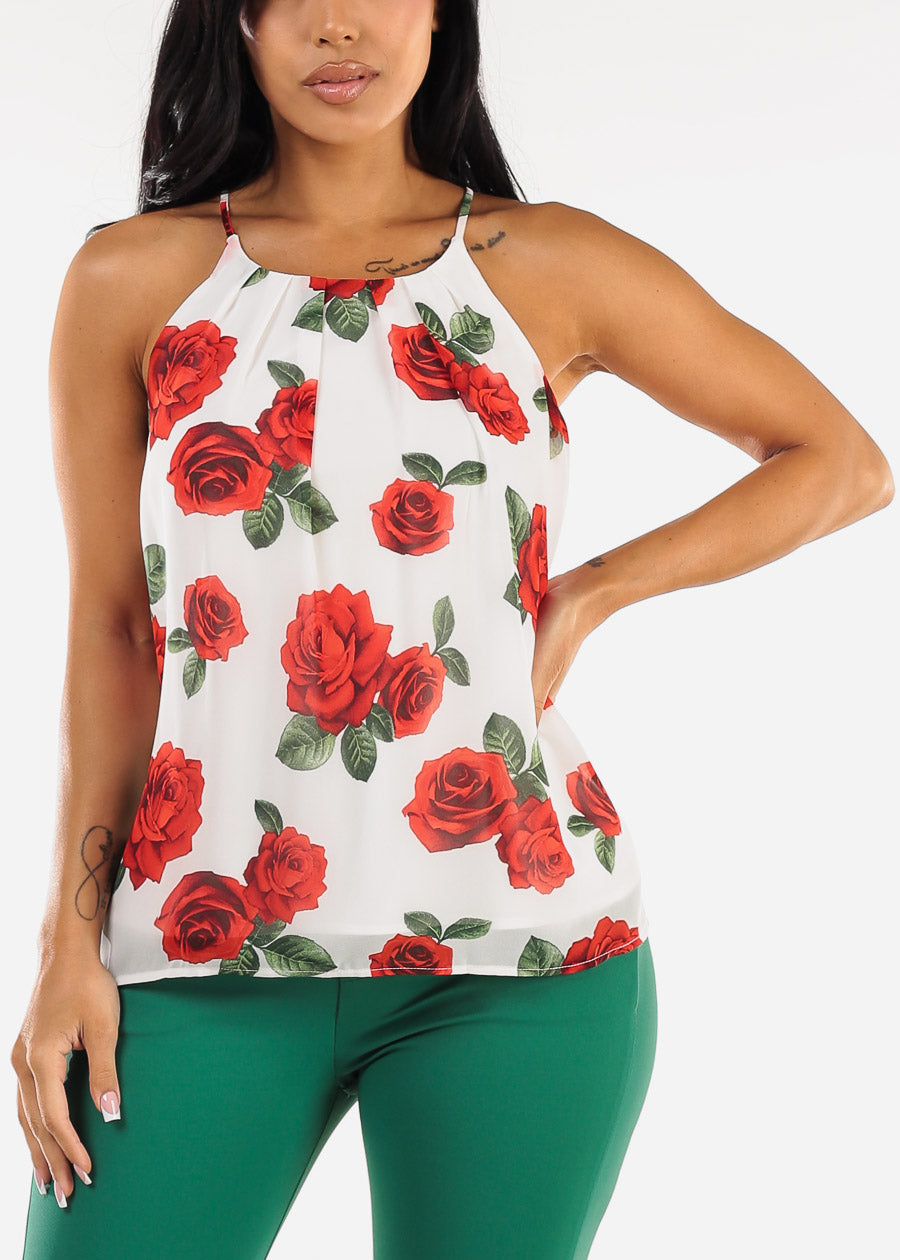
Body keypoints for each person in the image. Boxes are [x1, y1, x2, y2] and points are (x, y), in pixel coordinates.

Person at [11, 2, 893, 1258]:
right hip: (195, 953)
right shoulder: (133, 279)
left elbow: (840, 463)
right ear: (238, 17)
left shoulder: (544, 263)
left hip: (523, 962)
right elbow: (111, 628)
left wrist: (592, 592)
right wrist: (66, 943)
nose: (339, 25)